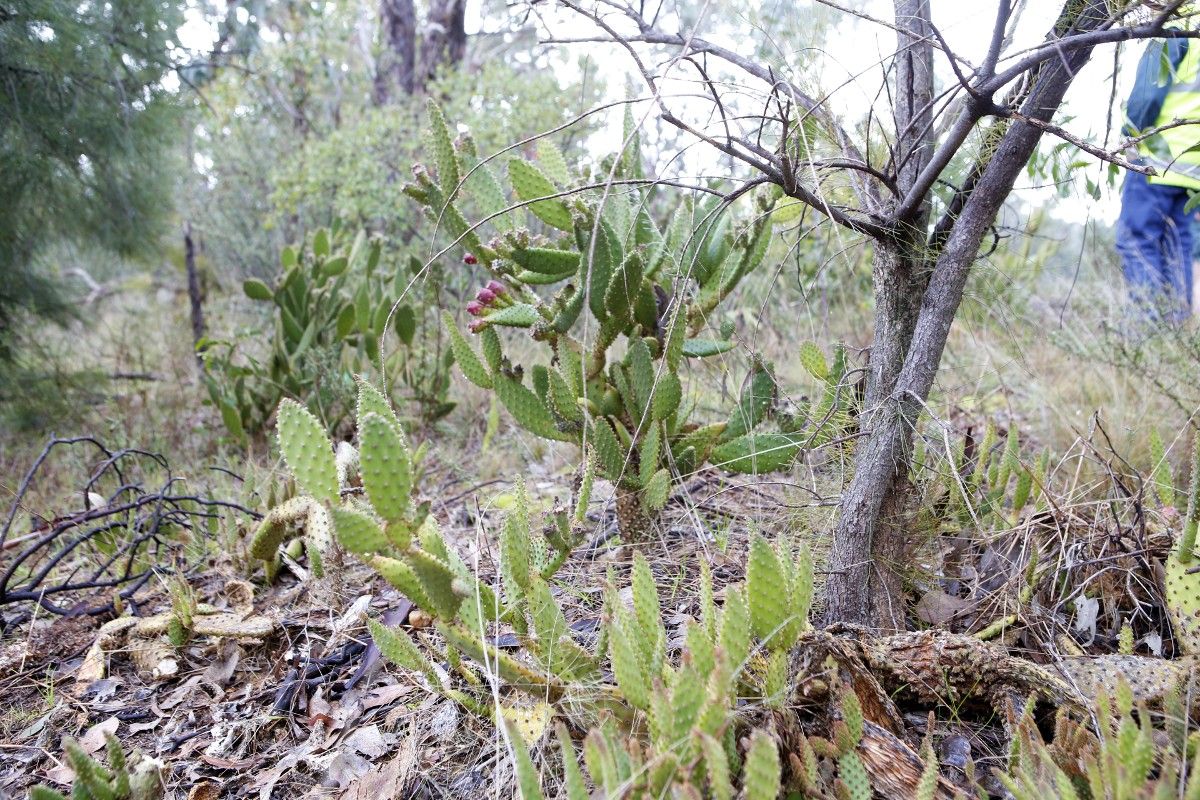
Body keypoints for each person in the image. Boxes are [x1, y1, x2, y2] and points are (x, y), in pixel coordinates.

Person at [1117, 28, 1200, 322]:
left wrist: (1129, 138)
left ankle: (1148, 333)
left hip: (1158, 158)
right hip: (1195, 170)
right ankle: (1175, 332)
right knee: (1179, 247)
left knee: (1139, 239)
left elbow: (1147, 95)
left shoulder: (1177, 24)